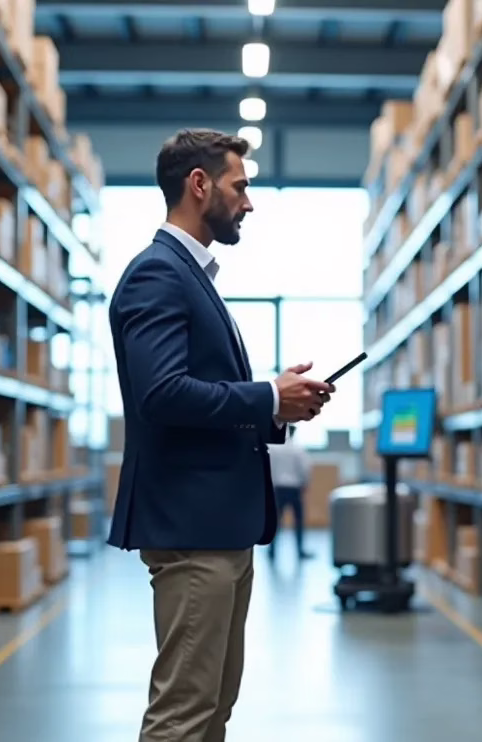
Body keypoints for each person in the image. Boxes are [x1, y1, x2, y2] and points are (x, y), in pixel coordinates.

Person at [107, 128, 336, 742]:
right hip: (192, 530)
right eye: (241, 186)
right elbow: (162, 394)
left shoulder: (192, 275)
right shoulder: (157, 274)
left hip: (220, 528)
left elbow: (199, 394)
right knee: (184, 716)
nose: (249, 202)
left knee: (212, 711)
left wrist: (279, 407)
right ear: (199, 184)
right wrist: (268, 396)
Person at [266, 425, 313, 561]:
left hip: (278, 488)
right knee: (298, 521)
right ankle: (300, 550)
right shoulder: (298, 449)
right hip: (294, 488)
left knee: (276, 522)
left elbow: (269, 467)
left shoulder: (274, 448)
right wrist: (305, 482)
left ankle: (272, 551)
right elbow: (304, 468)